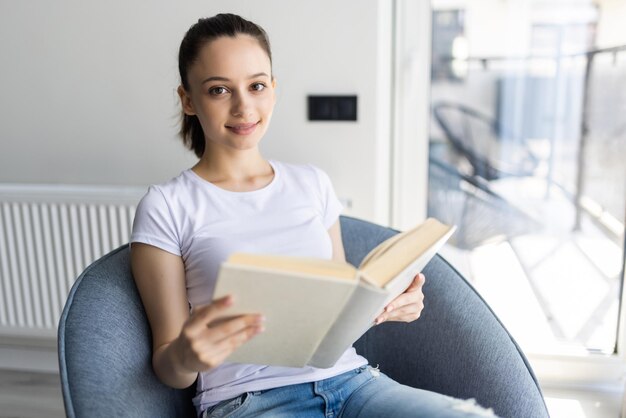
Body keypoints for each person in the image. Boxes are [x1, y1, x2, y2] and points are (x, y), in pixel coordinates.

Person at [130, 13, 498, 418]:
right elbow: (169, 367)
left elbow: (332, 315)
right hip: (249, 400)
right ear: (187, 100)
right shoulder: (167, 204)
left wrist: (386, 305)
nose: (243, 106)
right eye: (219, 90)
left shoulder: (312, 184)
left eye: (256, 86)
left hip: (354, 383)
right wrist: (187, 354)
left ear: (273, 89)